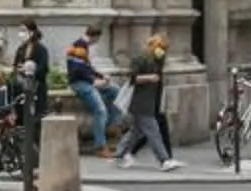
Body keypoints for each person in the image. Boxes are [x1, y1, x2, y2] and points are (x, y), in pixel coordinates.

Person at [116, 35, 179, 170]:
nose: (163, 51)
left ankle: (120, 154)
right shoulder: (140, 59)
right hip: (140, 101)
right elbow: (133, 78)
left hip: (148, 102)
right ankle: (164, 160)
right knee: (153, 131)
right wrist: (149, 78)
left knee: (135, 132)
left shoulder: (157, 61)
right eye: (161, 48)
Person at [65, 26, 114, 156]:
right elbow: (77, 70)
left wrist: (101, 76)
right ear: (95, 37)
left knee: (114, 90)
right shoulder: (80, 47)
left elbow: (87, 67)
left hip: (85, 81)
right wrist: (94, 81)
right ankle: (100, 146)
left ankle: (110, 125)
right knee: (100, 110)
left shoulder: (82, 46)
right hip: (80, 84)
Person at [12, 21, 52, 127]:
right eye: (20, 30)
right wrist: (18, 70)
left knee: (35, 117)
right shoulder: (21, 49)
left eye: (24, 30)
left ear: (32, 32)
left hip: (36, 88)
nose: (21, 34)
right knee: (21, 116)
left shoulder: (40, 49)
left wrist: (30, 70)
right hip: (21, 88)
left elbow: (43, 68)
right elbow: (15, 66)